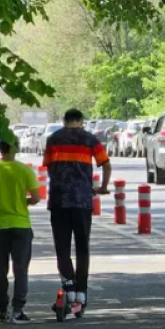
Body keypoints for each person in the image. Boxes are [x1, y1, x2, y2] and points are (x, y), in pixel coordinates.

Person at [43, 108, 111, 309]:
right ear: (81, 121)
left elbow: (48, 165)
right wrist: (103, 188)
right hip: (82, 201)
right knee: (82, 247)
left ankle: (69, 287)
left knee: (62, 247)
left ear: (64, 121)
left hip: (58, 201)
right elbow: (106, 165)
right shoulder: (90, 139)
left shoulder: (53, 139)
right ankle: (81, 293)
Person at [0, 139, 41, 324]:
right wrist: (22, 201)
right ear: (16, 148)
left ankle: (3, 308)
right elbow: (36, 198)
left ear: (0, 149)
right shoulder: (24, 170)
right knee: (20, 269)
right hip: (21, 225)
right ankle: (18, 309)